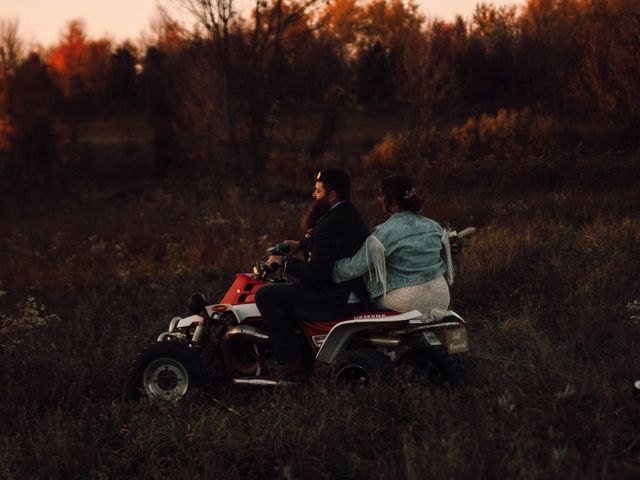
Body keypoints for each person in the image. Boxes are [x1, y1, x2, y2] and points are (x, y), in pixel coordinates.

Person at [255, 168, 369, 378]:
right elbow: (330, 246)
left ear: (332, 195)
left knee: (266, 295)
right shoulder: (348, 214)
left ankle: (289, 364)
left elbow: (318, 273)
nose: (313, 195)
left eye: (318, 191)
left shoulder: (331, 223)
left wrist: (284, 263)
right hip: (349, 293)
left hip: (332, 299)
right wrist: (299, 245)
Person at [332, 175, 452, 319]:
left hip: (407, 301)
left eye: (381, 195)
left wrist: (329, 269)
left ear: (393, 202)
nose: (379, 199)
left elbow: (355, 267)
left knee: (364, 298)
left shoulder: (384, 232)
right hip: (442, 297)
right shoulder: (434, 226)